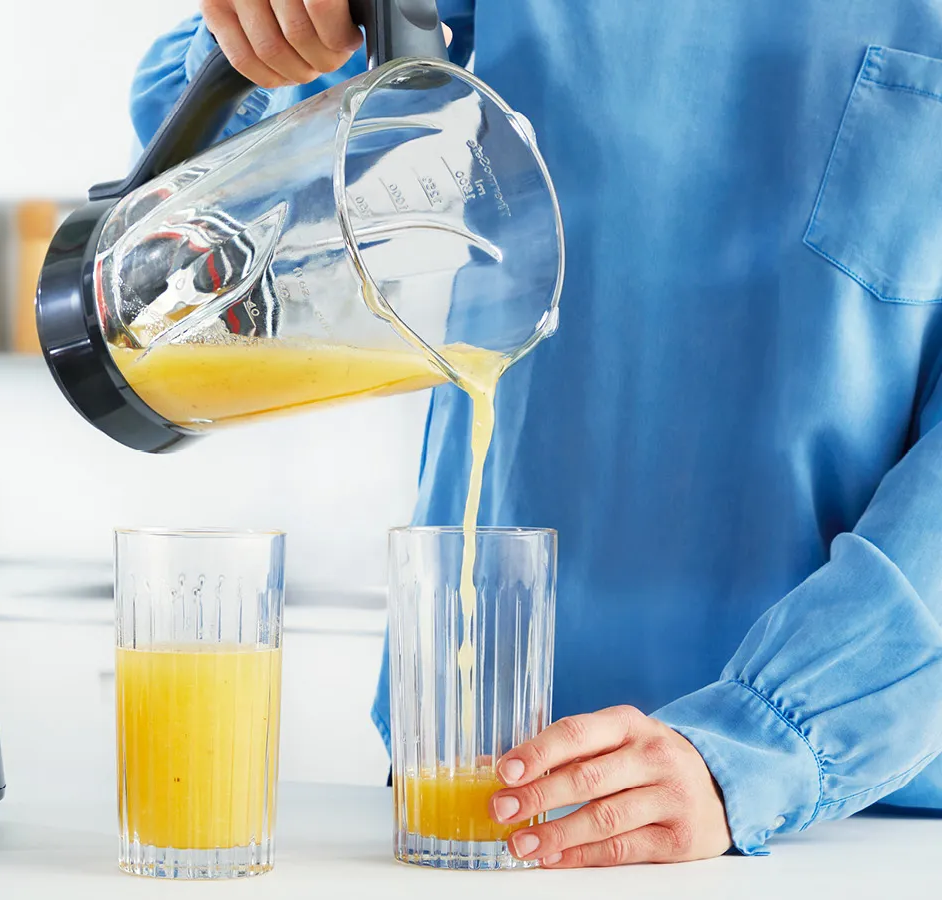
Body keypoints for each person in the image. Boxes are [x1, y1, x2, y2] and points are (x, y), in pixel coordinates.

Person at [130, 0, 942, 867]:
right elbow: (218, 171)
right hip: (485, 780)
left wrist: (765, 740)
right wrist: (271, 33)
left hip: (848, 813)